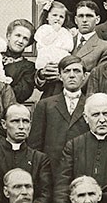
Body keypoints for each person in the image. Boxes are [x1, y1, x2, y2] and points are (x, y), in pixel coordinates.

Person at [0, 105, 52, 203]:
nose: (21, 126)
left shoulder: (39, 158)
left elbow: (45, 195)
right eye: (15, 121)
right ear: (4, 124)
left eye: (25, 121)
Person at [29, 54, 89, 183]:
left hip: (83, 171)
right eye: (67, 71)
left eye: (77, 71)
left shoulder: (91, 104)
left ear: (84, 76)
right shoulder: (46, 105)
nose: (72, 75)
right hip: (51, 172)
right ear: (60, 76)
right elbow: (35, 145)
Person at [70, 0, 107, 73]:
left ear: (97, 20)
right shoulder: (66, 41)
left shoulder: (106, 47)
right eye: (81, 16)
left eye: (89, 16)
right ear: (75, 20)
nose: (84, 20)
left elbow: (100, 75)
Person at [1, 19, 39, 103]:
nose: (20, 41)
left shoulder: (29, 67)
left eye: (25, 38)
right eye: (18, 35)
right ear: (8, 36)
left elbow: (21, 95)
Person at [35, 0, 75, 73]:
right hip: (47, 59)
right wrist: (54, 31)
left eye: (61, 17)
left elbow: (69, 47)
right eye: (54, 15)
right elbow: (45, 42)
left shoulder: (65, 31)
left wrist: (71, 34)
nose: (58, 18)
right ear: (47, 17)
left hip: (61, 60)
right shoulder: (44, 28)